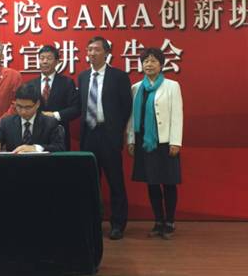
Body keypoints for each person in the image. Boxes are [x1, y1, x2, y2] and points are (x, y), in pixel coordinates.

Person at [78, 36, 132, 240]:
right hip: (89, 135)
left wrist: (116, 130)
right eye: (89, 49)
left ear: (107, 53)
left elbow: (126, 107)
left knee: (115, 181)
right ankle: (94, 222)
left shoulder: (119, 76)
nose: (92, 53)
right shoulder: (83, 77)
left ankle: (118, 224)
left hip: (108, 135)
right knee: (91, 182)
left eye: (97, 49)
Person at [127, 48, 183, 239]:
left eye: (153, 61)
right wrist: (131, 139)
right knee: (151, 183)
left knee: (168, 183)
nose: (149, 65)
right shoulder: (136, 88)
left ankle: (170, 222)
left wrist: (175, 141)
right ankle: (158, 221)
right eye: (145, 61)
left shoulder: (171, 86)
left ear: (161, 65)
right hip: (144, 142)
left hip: (164, 142)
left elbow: (177, 115)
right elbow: (132, 117)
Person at [0, 83, 65, 153]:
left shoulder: (50, 123)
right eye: (19, 106)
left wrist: (37, 148)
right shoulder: (6, 123)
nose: (23, 112)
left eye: (28, 107)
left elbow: (59, 148)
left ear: (37, 104)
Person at [29, 45, 79, 150]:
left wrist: (55, 115)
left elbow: (76, 109)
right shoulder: (31, 84)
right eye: (42, 58)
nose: (45, 61)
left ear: (57, 62)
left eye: (49, 58)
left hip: (59, 134)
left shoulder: (67, 82)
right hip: (36, 135)